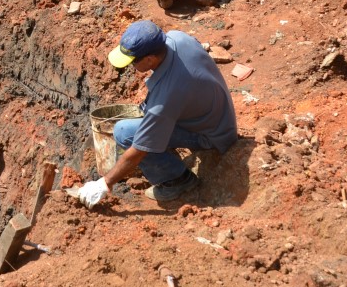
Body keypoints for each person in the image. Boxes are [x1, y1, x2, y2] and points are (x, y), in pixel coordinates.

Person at [79, 20, 237, 207]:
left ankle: (178, 181)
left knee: (124, 132)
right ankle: (168, 157)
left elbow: (140, 148)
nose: (131, 67)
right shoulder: (177, 38)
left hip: (211, 136)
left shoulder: (167, 97)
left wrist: (105, 183)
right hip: (215, 114)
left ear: (150, 59)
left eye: (133, 62)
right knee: (144, 125)